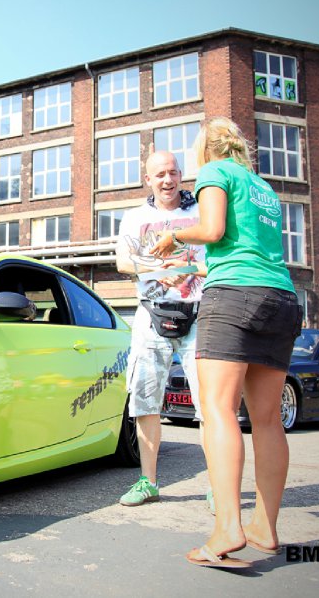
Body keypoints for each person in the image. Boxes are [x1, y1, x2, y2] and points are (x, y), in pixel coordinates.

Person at [150, 117, 301, 568]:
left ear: (207, 149)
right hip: (281, 299)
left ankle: (227, 528)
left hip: (234, 299)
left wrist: (173, 234)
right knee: (268, 420)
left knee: (217, 411)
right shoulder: (264, 188)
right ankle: (265, 528)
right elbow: (246, 250)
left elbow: (212, 231)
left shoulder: (216, 172)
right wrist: (196, 269)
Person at [115, 150, 206, 507]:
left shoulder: (200, 212)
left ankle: (218, 485)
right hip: (150, 315)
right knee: (145, 400)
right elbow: (123, 261)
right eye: (160, 174)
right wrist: (164, 269)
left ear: (181, 174)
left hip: (199, 312)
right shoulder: (135, 217)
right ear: (148, 180)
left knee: (210, 404)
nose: (167, 180)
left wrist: (187, 267)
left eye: (173, 172)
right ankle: (148, 482)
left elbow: (213, 255)